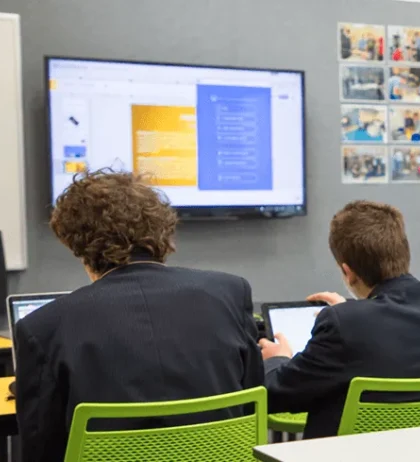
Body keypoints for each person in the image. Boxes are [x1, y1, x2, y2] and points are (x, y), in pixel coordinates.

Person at [15, 170, 262, 461]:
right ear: (162, 227)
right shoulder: (230, 293)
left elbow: (40, 448)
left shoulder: (43, 327)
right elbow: (251, 403)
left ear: (75, 243)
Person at [259, 200, 420, 439]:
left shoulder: (344, 324)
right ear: (404, 252)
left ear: (347, 271)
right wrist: (354, 312)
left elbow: (274, 397)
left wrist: (276, 358)